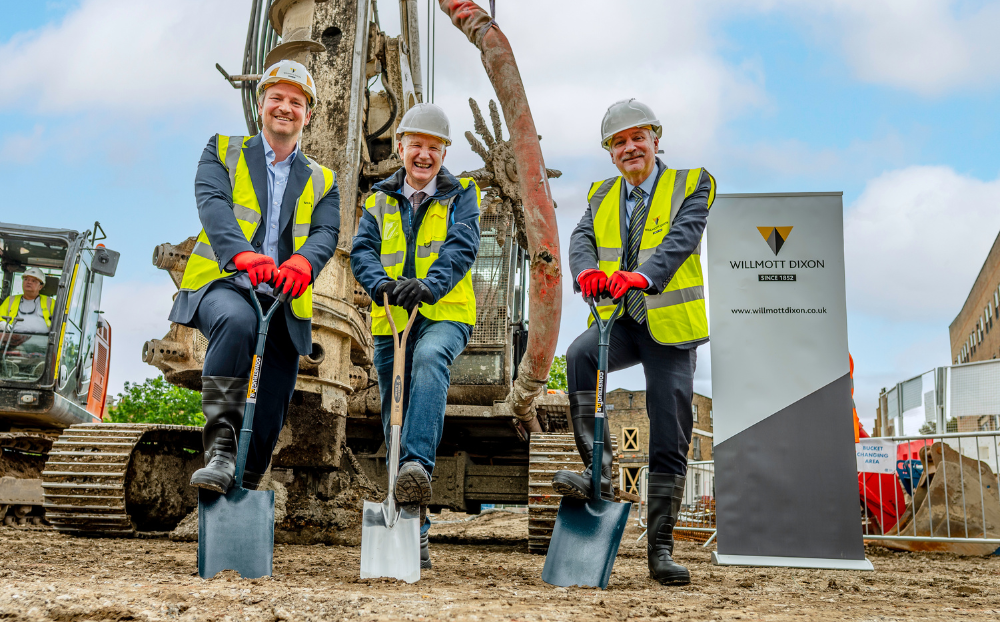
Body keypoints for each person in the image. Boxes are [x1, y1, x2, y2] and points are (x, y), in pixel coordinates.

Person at [553, 99, 716, 586]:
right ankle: (599, 473)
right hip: (620, 320)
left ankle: (660, 548)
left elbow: (681, 239)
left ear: (655, 140)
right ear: (610, 152)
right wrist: (585, 271)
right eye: (619, 142)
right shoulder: (601, 193)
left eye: (637, 138)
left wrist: (642, 276)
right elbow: (581, 238)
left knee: (669, 431)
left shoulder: (693, 183)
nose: (630, 148)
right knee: (579, 355)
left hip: (670, 327)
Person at [169, 59, 340, 493]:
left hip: (283, 297)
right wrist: (243, 255)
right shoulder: (222, 150)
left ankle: (245, 480)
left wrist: (304, 263)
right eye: (277, 98)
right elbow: (213, 204)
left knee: (275, 390)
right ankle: (221, 452)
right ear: (260, 104)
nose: (285, 107)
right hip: (224, 283)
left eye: (296, 102)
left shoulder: (324, 180)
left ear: (308, 114)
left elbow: (326, 231)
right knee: (237, 321)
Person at [350, 103, 481, 569]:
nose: (424, 155)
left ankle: (416, 468)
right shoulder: (378, 198)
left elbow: (462, 247)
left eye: (434, 147)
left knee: (428, 360)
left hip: (443, 312)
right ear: (401, 146)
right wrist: (380, 285)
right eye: (416, 145)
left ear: (444, 152)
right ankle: (413, 529)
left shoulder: (462, 194)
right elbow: (362, 252)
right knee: (395, 415)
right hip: (391, 317)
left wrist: (429, 286)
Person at [0, 267, 54, 334]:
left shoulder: (50, 302)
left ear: (40, 286)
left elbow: (59, 322)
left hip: (44, 339)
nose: (29, 282)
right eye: (26, 279)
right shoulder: (10, 300)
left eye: (33, 281)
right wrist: (2, 323)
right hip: (12, 338)